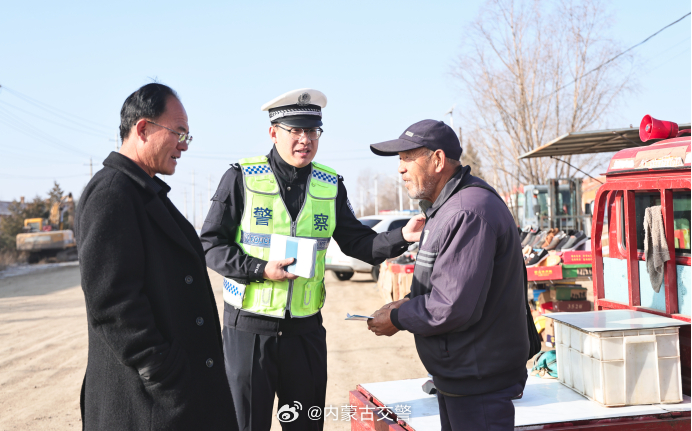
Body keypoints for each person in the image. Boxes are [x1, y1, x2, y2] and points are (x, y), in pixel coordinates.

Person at [201, 88, 424, 431]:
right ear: (274, 132)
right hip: (248, 330)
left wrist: (402, 237)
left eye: (313, 131)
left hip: (304, 334)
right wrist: (259, 270)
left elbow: (358, 242)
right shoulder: (240, 178)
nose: (305, 139)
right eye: (296, 130)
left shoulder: (330, 184)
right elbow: (211, 244)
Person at [75, 83, 237, 430]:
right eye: (178, 132)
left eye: (188, 136)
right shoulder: (112, 194)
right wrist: (164, 373)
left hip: (169, 399)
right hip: (147, 404)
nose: (183, 145)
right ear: (143, 128)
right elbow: (113, 305)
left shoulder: (145, 191)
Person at [366, 119, 528, 431]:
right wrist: (402, 305)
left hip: (479, 382)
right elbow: (444, 286)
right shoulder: (447, 209)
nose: (400, 169)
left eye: (407, 158)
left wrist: (398, 318)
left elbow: (451, 306)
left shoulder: (467, 212)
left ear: (438, 160)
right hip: (463, 376)